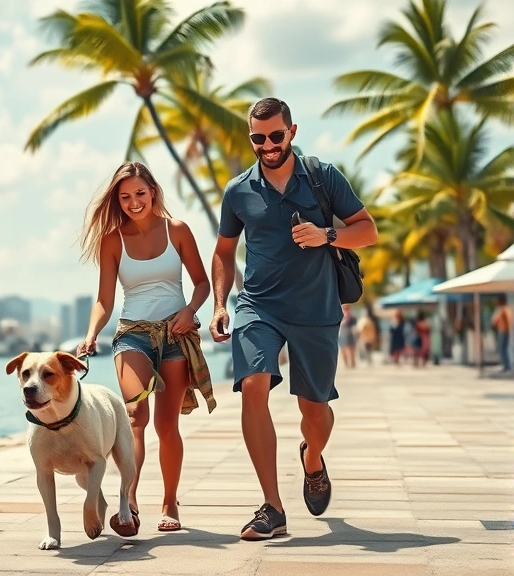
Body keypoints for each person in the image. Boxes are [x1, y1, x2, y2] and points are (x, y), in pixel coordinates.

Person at [208, 98, 378, 540]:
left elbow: (368, 229)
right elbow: (225, 252)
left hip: (316, 310)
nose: (267, 145)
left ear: (292, 132)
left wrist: (328, 235)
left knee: (316, 410)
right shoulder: (238, 190)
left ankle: (313, 458)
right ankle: (272, 508)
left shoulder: (323, 177)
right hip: (258, 306)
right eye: (257, 138)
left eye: (275, 136)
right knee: (253, 386)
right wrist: (221, 303)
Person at [76, 161, 214, 534]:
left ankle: (170, 502)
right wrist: (91, 335)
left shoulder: (178, 231)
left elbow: (202, 283)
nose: (133, 202)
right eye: (125, 197)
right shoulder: (112, 240)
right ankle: (129, 501)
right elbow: (104, 300)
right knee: (136, 418)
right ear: (117, 201)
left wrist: (189, 311)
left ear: (152, 190)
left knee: (167, 426)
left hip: (176, 333)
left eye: (139, 193)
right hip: (132, 334)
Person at [491, 295, 512, 371]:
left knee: (502, 348)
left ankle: (506, 365)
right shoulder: (502, 309)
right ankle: (505, 364)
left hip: (503, 331)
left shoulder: (503, 309)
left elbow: (495, 320)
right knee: (502, 348)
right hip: (502, 331)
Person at [339, 305, 358, 369]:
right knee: (344, 349)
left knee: (351, 349)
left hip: (349, 334)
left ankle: (352, 363)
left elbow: (354, 326)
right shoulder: (341, 316)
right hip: (343, 334)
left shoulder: (352, 317)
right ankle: (346, 364)